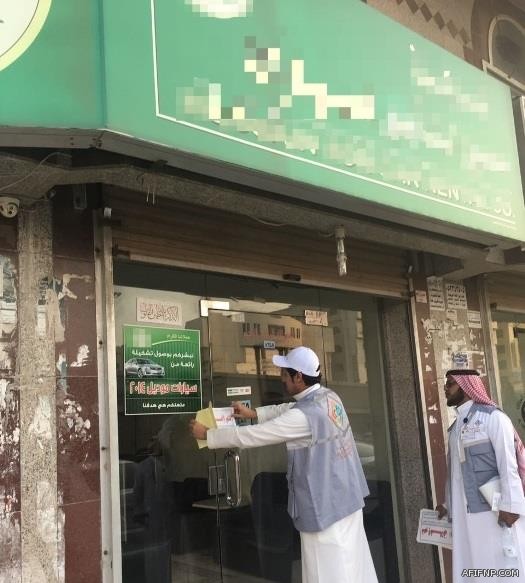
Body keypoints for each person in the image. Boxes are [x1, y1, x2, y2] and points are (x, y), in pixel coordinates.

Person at [190, 346, 378, 583]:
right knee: (353, 566)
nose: (281, 379)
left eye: (284, 374)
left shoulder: (303, 417)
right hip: (347, 500)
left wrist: (209, 435)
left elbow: (254, 436)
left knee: (326, 573)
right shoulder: (329, 398)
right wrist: (254, 413)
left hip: (325, 509)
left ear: (298, 377)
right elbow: (289, 408)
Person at [436, 369, 525, 582]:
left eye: (450, 384)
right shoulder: (455, 427)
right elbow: (456, 475)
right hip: (463, 514)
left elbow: (508, 466)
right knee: (471, 565)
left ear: (466, 387)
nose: (445, 388)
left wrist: (511, 506)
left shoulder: (494, 418)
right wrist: (448, 505)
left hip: (493, 511)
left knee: (501, 567)